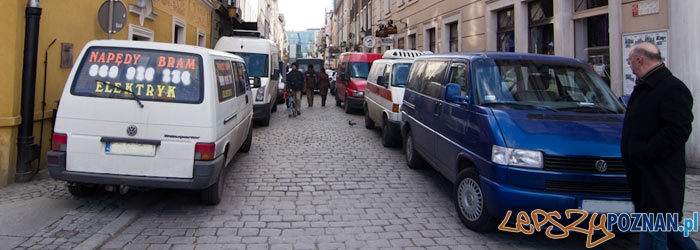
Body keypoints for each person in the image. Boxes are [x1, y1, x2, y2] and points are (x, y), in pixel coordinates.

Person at [621, 41, 696, 250]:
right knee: (666, 229)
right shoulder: (646, 85)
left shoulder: (671, 88)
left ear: (640, 60)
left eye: (629, 61)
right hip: (645, 174)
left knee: (655, 230)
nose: (630, 66)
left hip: (659, 175)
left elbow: (678, 130)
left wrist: (645, 153)